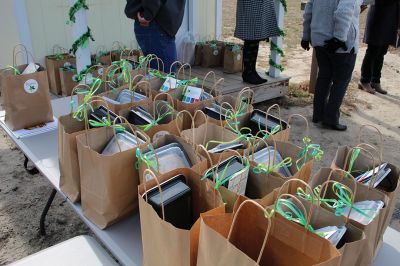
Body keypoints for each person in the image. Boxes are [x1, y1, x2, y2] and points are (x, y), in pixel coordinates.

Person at [302, 0, 373, 131]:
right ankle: (330, 119)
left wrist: (306, 36)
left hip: (319, 40)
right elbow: (343, 11)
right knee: (341, 81)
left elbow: (308, 10)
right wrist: (339, 39)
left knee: (324, 77)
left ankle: (318, 115)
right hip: (341, 45)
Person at [124, 0, 186, 72]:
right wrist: (148, 14)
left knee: (161, 75)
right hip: (156, 22)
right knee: (164, 77)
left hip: (159, 23)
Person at [359, 0, 400, 94]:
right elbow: (369, 1)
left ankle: (375, 80)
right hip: (378, 18)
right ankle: (364, 80)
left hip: (390, 19)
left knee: (382, 52)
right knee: (373, 51)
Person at [235, 0, 280, 85]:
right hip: (251, 4)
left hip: (260, 4)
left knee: (256, 37)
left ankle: (252, 70)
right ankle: (248, 72)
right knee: (250, 36)